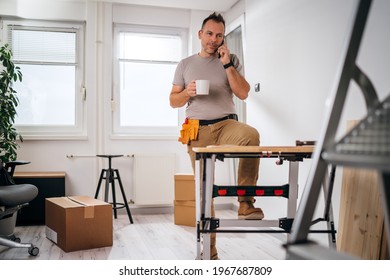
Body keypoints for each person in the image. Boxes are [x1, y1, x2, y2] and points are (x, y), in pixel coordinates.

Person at [169, 12, 263, 260]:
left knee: (251, 136)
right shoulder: (185, 64)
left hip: (226, 124)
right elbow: (172, 101)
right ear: (200, 34)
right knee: (205, 189)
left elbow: (243, 93)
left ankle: (245, 203)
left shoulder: (230, 59)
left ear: (223, 37)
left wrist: (227, 64)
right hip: (197, 129)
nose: (213, 39)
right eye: (209, 33)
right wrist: (187, 93)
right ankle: (209, 253)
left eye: (219, 35)